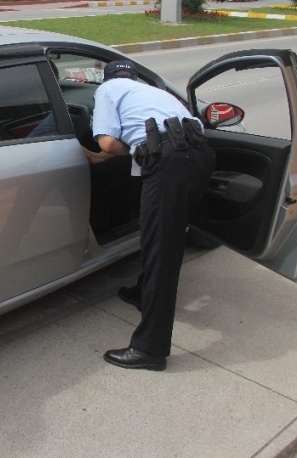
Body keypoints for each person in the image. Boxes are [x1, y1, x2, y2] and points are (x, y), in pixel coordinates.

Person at [91, 61, 215, 371]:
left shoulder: (107, 89)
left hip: (170, 162)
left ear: (106, 79)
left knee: (162, 250)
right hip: (200, 156)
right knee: (163, 239)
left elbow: (106, 142)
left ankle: (150, 349)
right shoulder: (151, 91)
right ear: (132, 77)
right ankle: (143, 294)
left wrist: (107, 152)